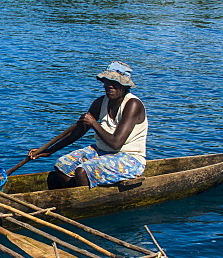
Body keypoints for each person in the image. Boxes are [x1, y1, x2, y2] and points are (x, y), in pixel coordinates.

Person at [29, 61, 148, 189]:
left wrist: (93, 123)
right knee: (62, 165)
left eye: (114, 82)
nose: (109, 86)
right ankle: (74, 195)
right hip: (102, 151)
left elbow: (116, 143)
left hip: (129, 158)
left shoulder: (133, 105)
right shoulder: (101, 102)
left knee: (82, 171)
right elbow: (78, 131)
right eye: (107, 81)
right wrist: (50, 151)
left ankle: (87, 201)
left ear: (124, 85)